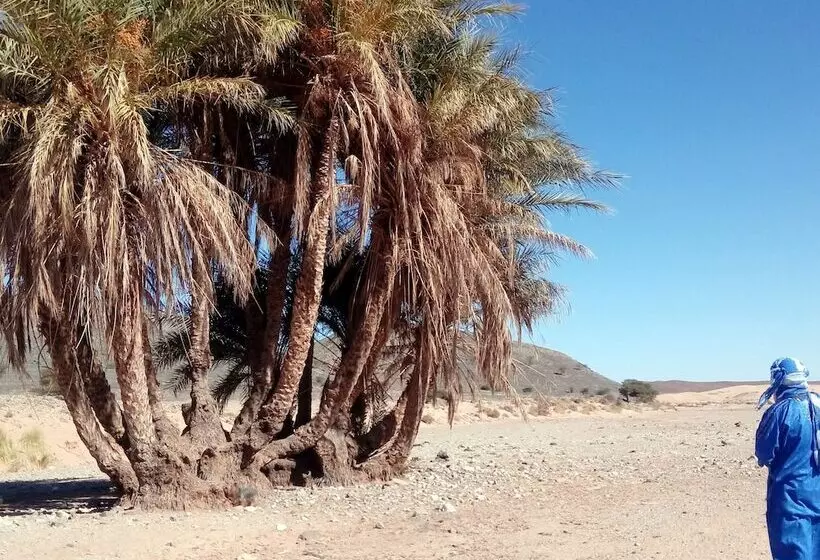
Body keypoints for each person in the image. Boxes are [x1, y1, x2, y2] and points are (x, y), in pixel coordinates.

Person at [756, 357, 820, 559]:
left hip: (790, 500)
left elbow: (764, 453)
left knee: (792, 552)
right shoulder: (817, 404)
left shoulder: (781, 411)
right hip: (817, 494)